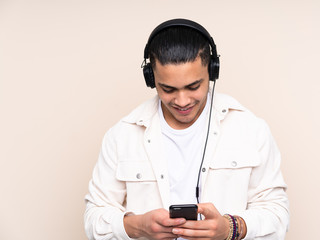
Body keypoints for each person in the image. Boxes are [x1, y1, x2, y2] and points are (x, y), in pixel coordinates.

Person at [84, 18, 289, 240]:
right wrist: (137, 226)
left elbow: (277, 215)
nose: (182, 101)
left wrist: (230, 228)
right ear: (151, 78)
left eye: (193, 87)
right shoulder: (122, 135)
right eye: (168, 89)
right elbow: (93, 217)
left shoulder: (250, 129)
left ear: (212, 71)